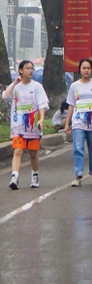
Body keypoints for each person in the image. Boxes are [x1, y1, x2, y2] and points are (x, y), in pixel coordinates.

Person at [5, 60, 49, 189]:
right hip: (18, 126)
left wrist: (41, 120)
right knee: (18, 151)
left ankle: (34, 176)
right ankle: (14, 177)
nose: (30, 71)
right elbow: (5, 96)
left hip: (33, 127)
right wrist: (14, 83)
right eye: (27, 68)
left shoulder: (37, 87)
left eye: (32, 68)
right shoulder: (15, 87)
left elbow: (42, 104)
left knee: (33, 153)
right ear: (21, 70)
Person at [66, 59, 92, 186]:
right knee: (78, 148)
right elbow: (71, 105)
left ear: (91, 69)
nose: (86, 70)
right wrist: (67, 123)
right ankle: (78, 175)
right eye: (84, 68)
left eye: (88, 68)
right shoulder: (74, 86)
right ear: (80, 69)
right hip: (78, 122)